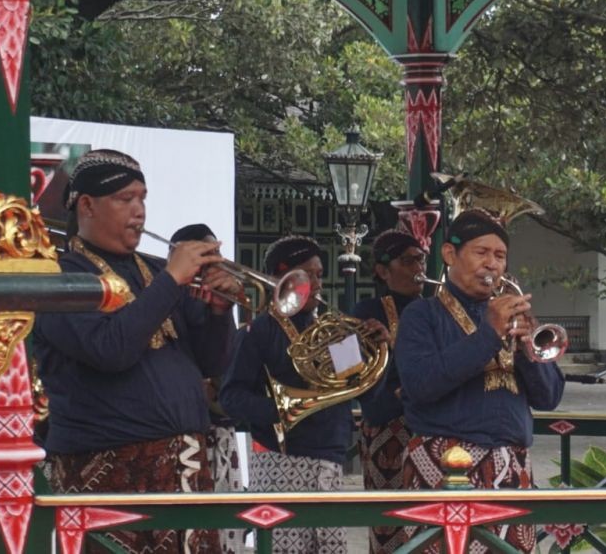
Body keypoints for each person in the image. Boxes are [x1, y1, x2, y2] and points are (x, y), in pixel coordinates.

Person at [33, 149, 238, 554]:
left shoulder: (154, 271)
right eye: (125, 199)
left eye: (143, 198)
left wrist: (219, 310)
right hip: (111, 476)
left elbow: (212, 363)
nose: (140, 211)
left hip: (186, 468)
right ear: (87, 206)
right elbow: (110, 350)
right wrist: (172, 281)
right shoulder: (61, 277)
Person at [395, 209, 565, 553]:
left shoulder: (512, 319)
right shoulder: (422, 315)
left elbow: (549, 397)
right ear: (449, 254)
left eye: (500, 256)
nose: (492, 264)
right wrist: (488, 335)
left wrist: (525, 348)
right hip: (443, 467)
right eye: (481, 252)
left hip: (512, 468)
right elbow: (420, 385)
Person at [219, 235, 350, 554]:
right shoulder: (259, 331)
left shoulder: (329, 327)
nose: (319, 283)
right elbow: (231, 396)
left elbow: (355, 382)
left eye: (320, 274)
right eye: (310, 274)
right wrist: (284, 410)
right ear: (284, 276)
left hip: (329, 460)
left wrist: (375, 342)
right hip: (282, 461)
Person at [170, 222, 248, 554]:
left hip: (219, 432)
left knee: (224, 533)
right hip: (187, 435)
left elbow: (220, 363)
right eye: (207, 254)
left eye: (217, 253)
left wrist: (222, 310)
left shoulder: (217, 296)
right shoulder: (174, 294)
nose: (217, 261)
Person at [352, 229, 427, 554]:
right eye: (408, 260)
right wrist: (380, 348)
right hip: (387, 431)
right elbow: (350, 375)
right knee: (389, 528)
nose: (418, 268)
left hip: (428, 430)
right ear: (383, 271)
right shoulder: (363, 311)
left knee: (428, 526)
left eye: (421, 259)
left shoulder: (434, 309)